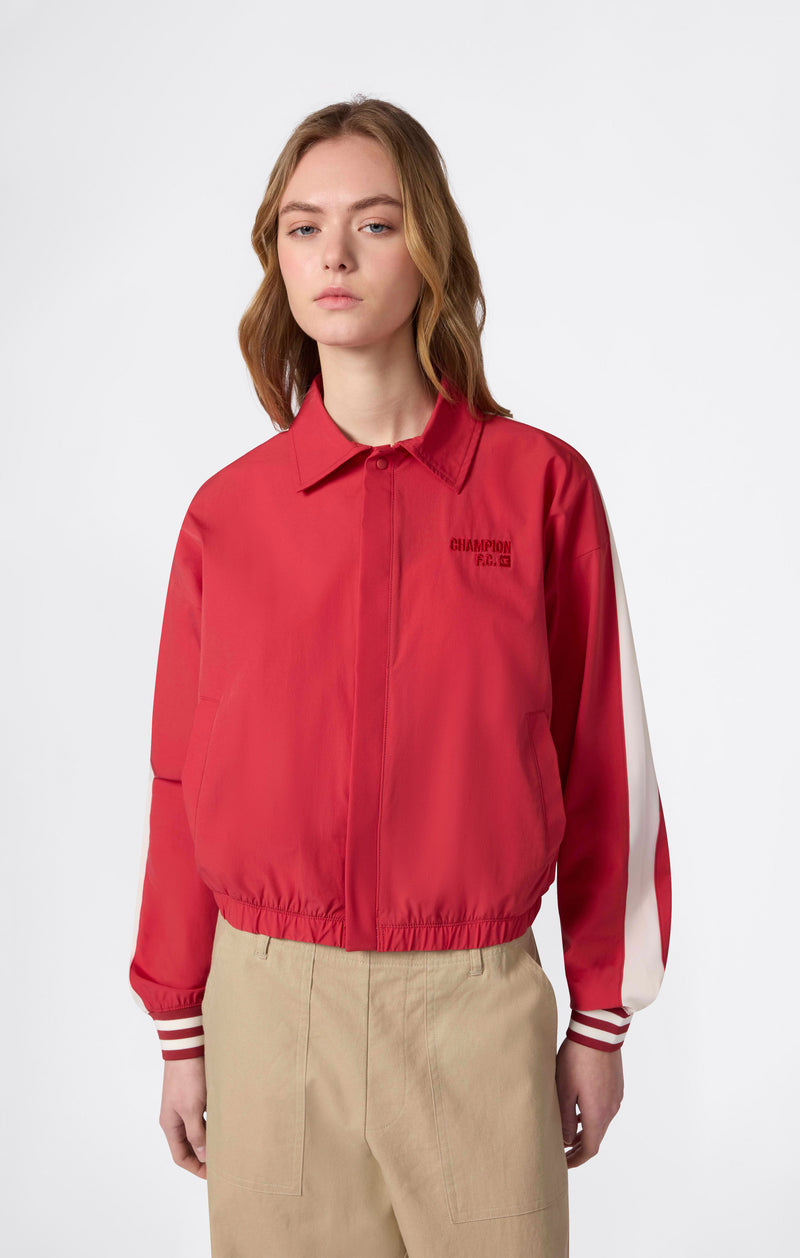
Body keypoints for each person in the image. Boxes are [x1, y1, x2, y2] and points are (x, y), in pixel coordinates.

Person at [129, 95, 672, 1258]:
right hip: (270, 1015)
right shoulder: (227, 516)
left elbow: (602, 764)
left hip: (473, 1010)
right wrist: (179, 1020)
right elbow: (181, 778)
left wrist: (600, 1017)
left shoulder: (539, 490)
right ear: (276, 259)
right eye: (302, 227)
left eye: (373, 224)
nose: (333, 255)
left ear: (427, 247)